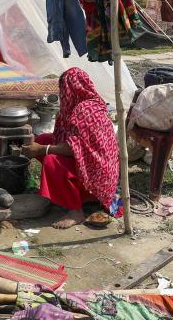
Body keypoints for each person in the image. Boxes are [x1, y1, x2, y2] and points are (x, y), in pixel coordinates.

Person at [21, 68, 118, 229]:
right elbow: (67, 138)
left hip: (96, 176)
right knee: (44, 139)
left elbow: (75, 148)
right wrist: (41, 146)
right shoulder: (81, 103)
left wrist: (42, 150)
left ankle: (75, 211)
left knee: (52, 160)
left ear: (69, 89)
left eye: (62, 90)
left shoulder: (85, 109)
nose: (61, 94)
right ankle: (65, 193)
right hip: (88, 162)